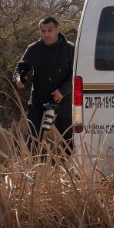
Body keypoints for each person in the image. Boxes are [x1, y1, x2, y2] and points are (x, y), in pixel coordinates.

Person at [14, 16, 74, 148]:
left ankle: (70, 166)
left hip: (63, 100)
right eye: (43, 31)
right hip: (38, 98)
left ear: (58, 29)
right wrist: (19, 78)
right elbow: (21, 67)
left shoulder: (70, 49)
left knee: (69, 138)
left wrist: (62, 91)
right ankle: (31, 165)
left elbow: (77, 75)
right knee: (32, 136)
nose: (46, 34)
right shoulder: (34, 49)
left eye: (50, 30)